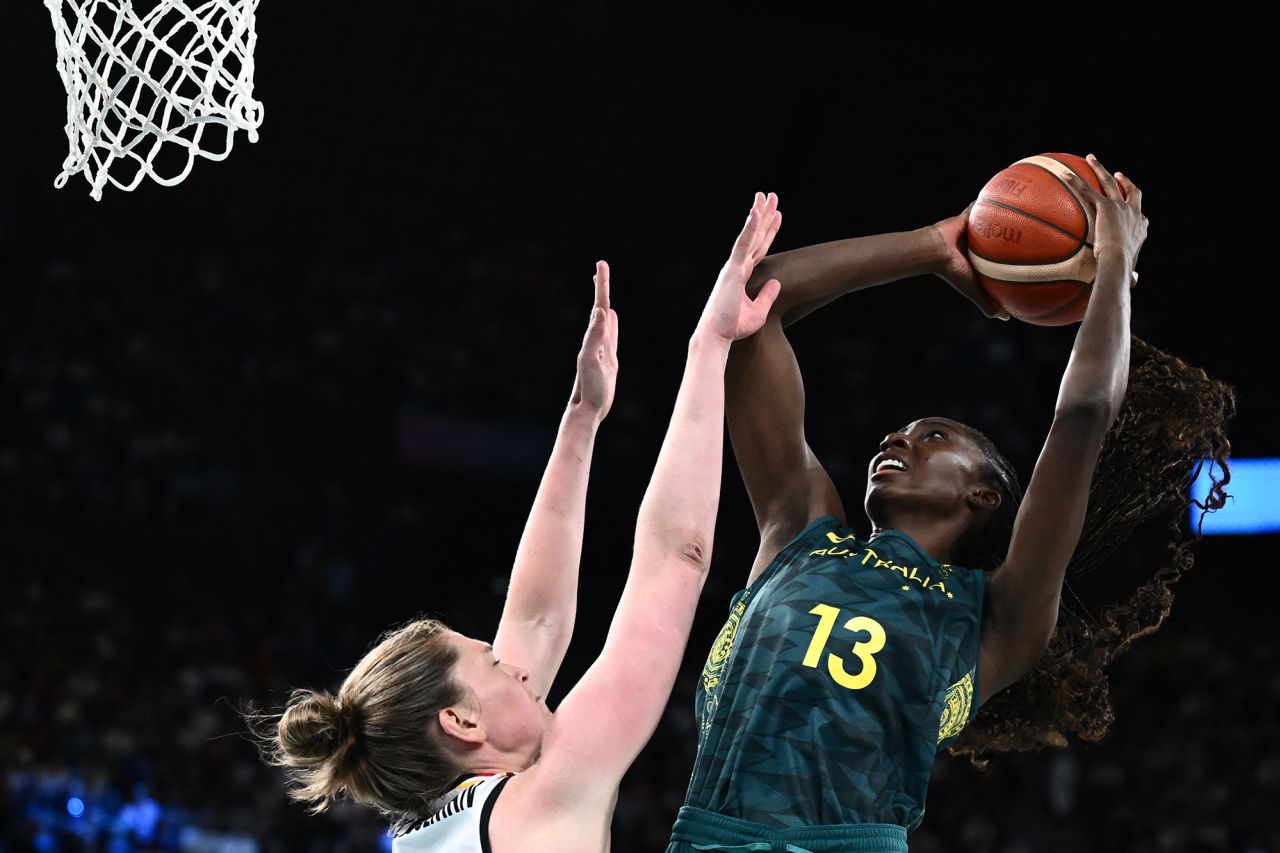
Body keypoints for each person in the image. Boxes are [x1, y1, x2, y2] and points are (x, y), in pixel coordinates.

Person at [667, 158, 1235, 852]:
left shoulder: (995, 615)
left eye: (931, 435)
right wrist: (935, 246)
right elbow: (756, 304)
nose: (897, 438)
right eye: (900, 430)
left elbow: (1084, 411)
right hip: (706, 837)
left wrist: (1114, 257)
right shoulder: (801, 531)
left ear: (983, 495)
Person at [252, 193, 785, 852]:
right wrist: (710, 346)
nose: (518, 667)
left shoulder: (431, 828)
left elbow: (535, 617)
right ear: (460, 719)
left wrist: (582, 417)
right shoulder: (544, 796)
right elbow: (679, 558)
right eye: (495, 665)